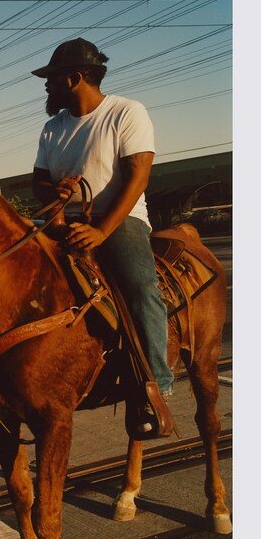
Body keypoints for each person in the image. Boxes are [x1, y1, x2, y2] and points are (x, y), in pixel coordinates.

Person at [30, 38, 173, 438]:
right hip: (62, 221)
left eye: (51, 79)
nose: (45, 87)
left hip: (118, 219)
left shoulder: (126, 112)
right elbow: (40, 182)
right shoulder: (51, 127)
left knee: (140, 286)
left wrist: (100, 231)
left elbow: (137, 176)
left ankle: (156, 383)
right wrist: (53, 193)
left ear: (74, 78)